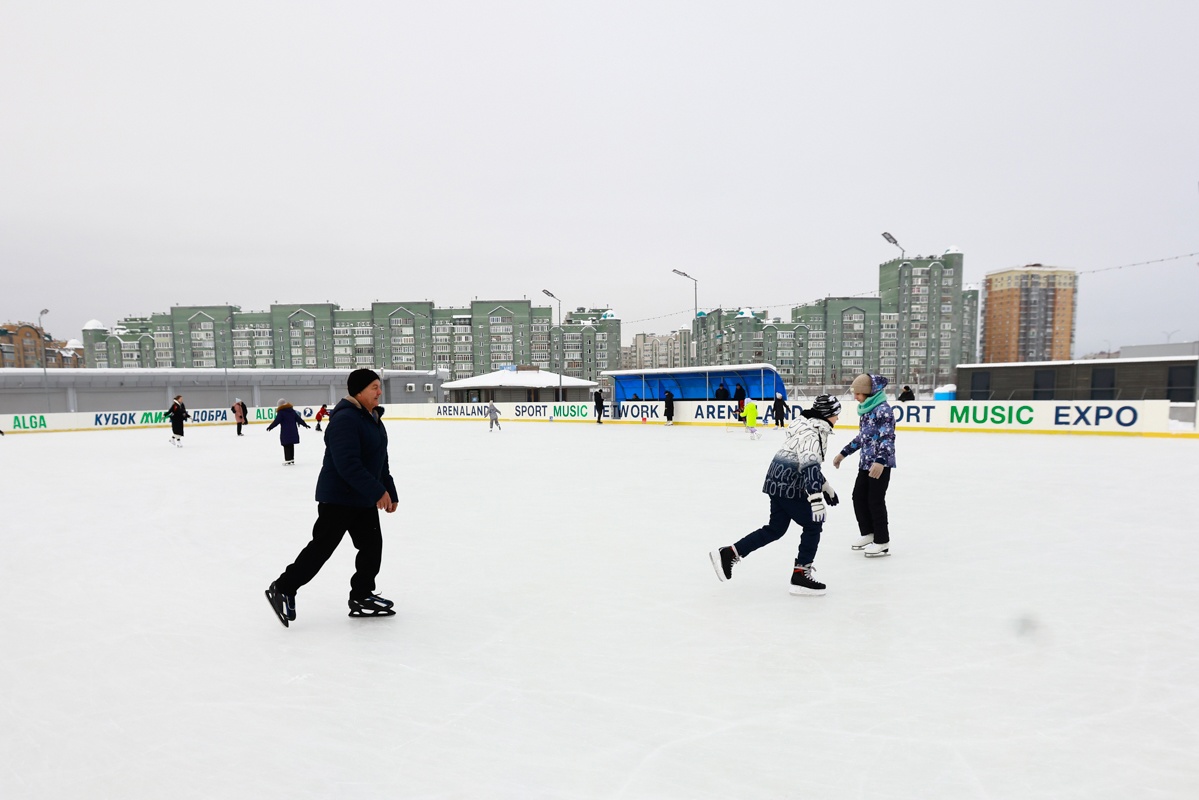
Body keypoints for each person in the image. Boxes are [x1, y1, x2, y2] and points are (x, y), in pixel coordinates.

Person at [265, 369, 399, 626]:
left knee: (372, 548)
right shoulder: (345, 419)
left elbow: (381, 462)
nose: (379, 392)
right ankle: (282, 588)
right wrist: (376, 491)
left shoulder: (372, 418)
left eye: (379, 387)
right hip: (338, 498)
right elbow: (347, 464)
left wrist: (389, 491)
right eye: (374, 387)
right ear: (359, 390)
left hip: (361, 499)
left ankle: (361, 595)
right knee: (321, 549)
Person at [710, 395, 842, 596]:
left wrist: (826, 487)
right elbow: (809, 466)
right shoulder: (812, 434)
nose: (837, 419)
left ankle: (729, 553)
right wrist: (816, 499)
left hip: (777, 480)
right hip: (789, 484)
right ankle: (801, 574)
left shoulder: (806, 426)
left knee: (775, 529)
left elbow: (805, 462)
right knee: (813, 523)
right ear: (827, 414)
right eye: (835, 414)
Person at [833, 373, 896, 558]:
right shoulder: (867, 410)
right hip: (866, 463)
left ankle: (882, 541)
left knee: (875, 501)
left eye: (859, 393)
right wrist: (843, 453)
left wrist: (881, 461)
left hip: (879, 464)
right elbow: (863, 437)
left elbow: (888, 437)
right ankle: (869, 533)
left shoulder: (883, 410)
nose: (855, 397)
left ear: (870, 393)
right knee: (858, 497)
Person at [266, 398, 311, 465]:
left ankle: (288, 459)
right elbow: (299, 419)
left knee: (286, 444)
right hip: (293, 430)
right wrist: (305, 425)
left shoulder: (281, 412)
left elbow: (276, 421)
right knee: (291, 444)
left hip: (285, 431)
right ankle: (292, 459)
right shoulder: (292, 411)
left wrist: (270, 427)